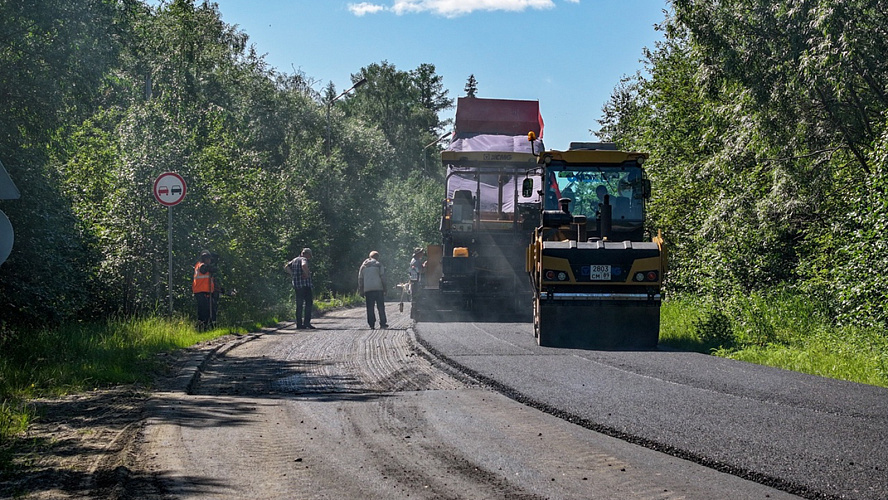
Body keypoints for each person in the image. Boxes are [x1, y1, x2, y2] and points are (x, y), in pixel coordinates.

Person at [285, 248, 315, 329]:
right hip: (305, 285)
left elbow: (286, 267)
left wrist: (293, 274)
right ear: (306, 254)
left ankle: (299, 324)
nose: (309, 258)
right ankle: (306, 323)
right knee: (308, 303)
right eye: (309, 256)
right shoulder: (303, 259)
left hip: (297, 285)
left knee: (299, 305)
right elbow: (303, 265)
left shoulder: (294, 260)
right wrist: (307, 274)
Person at [358, 250, 387, 329]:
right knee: (380, 306)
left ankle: (371, 324)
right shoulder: (379, 265)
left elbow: (360, 279)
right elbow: (383, 277)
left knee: (370, 307)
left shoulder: (363, 266)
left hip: (368, 289)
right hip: (378, 288)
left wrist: (361, 290)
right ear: (377, 257)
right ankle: (383, 323)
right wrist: (385, 288)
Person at [192, 250, 217, 330]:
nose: (209, 261)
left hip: (206, 291)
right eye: (208, 259)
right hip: (200, 291)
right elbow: (203, 270)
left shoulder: (204, 267)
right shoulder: (201, 266)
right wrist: (211, 268)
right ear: (204, 259)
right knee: (203, 310)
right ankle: (202, 327)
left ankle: (208, 326)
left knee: (210, 309)